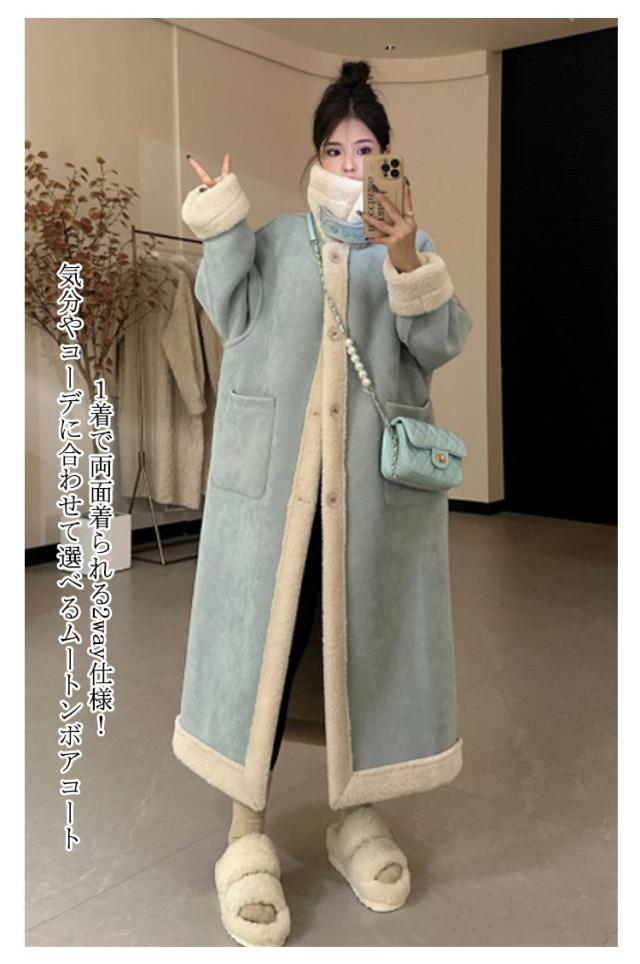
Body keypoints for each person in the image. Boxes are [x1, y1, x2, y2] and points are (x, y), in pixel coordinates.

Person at [174, 59, 473, 947]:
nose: (351, 163)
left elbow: (440, 344)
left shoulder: (408, 253)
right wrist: (221, 219)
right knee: (261, 658)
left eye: (366, 148)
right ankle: (244, 833)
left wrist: (408, 258)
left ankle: (357, 816)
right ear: (315, 156)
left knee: (364, 649)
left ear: (388, 158)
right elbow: (225, 309)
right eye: (336, 149)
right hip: (272, 503)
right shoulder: (273, 242)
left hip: (372, 505)